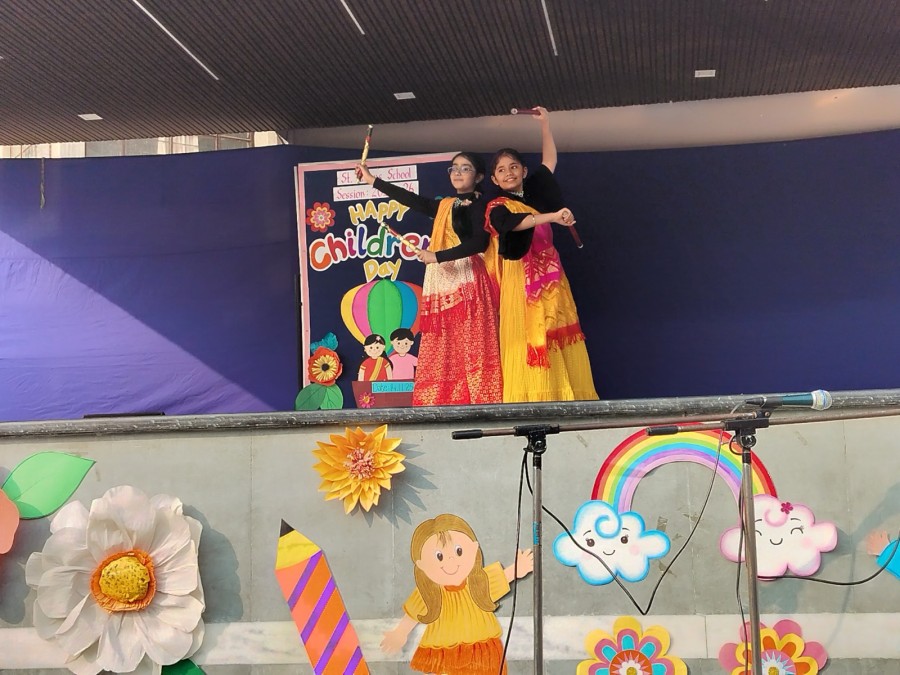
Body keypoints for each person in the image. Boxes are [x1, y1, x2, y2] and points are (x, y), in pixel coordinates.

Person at [356, 154, 502, 405]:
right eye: (454, 168)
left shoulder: (482, 205)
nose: (458, 173)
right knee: (443, 343)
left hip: (468, 280)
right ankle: (444, 402)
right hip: (442, 283)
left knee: (473, 343)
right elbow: (411, 200)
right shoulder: (445, 205)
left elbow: (480, 243)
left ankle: (481, 402)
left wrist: (437, 256)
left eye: (465, 168)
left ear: (478, 176)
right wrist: (372, 180)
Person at [484, 107, 599, 402]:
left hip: (551, 273)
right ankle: (530, 398)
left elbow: (549, 161)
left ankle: (567, 395)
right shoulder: (496, 206)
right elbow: (515, 223)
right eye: (501, 170)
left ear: (523, 171)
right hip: (520, 280)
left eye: (513, 167)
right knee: (528, 334)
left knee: (557, 328)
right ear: (494, 179)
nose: (508, 173)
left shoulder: (534, 191)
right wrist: (553, 216)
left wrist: (545, 125)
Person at [381, 513, 533, 675]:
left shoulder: (478, 582)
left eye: (459, 551)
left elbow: (504, 577)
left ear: (473, 548)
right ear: (421, 565)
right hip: (446, 652)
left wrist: (518, 569)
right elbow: (413, 613)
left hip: (483, 652)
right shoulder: (429, 592)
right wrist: (400, 632)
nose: (450, 561)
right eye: (439, 556)